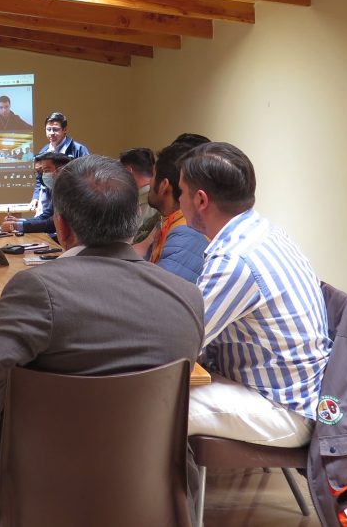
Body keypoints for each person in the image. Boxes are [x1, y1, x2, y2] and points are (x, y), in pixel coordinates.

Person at [0, 155, 204, 527]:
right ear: (132, 225)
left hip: (38, 491)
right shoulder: (187, 297)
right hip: (151, 491)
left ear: (61, 225)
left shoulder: (37, 288)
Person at [178, 142, 332, 447]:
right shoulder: (263, 231)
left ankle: (150, 495)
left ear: (200, 200)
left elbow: (179, 341)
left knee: (154, 406)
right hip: (292, 392)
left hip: (284, 409)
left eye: (181, 193)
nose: (178, 202)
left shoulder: (235, 260)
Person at [141, 140, 209, 282]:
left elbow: (159, 294)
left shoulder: (186, 233)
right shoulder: (171, 222)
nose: (149, 182)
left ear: (164, 186)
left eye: (153, 175)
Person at [29, 112, 90, 210]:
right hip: (48, 202)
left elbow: (88, 176)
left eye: (55, 129)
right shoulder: (43, 152)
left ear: (64, 130)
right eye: (48, 129)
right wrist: (36, 197)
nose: (51, 133)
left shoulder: (78, 149)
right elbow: (39, 178)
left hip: (73, 201)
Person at [0, 152, 71, 235]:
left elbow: (52, 224)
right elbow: (46, 215)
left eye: (46, 170)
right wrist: (19, 221)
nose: (43, 175)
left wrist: (15, 226)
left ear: (61, 170)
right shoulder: (57, 189)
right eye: (42, 171)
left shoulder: (72, 191)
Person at [119, 147, 159, 244]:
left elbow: (133, 243)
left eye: (119, 172)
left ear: (128, 171)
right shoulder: (160, 198)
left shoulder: (146, 203)